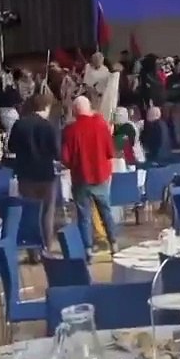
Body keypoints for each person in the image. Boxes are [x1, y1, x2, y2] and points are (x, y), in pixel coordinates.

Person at [61, 96, 117, 255]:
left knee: (84, 216)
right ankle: (113, 243)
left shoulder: (70, 130)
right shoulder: (101, 125)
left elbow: (65, 159)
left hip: (80, 179)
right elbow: (110, 152)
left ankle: (88, 249)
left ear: (74, 111)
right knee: (106, 212)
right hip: (100, 176)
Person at [7, 93, 60, 256]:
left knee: (30, 212)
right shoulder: (48, 126)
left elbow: (11, 147)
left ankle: (32, 250)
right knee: (47, 213)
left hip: (25, 174)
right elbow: (57, 152)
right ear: (46, 107)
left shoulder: (20, 124)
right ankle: (47, 248)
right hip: (45, 175)